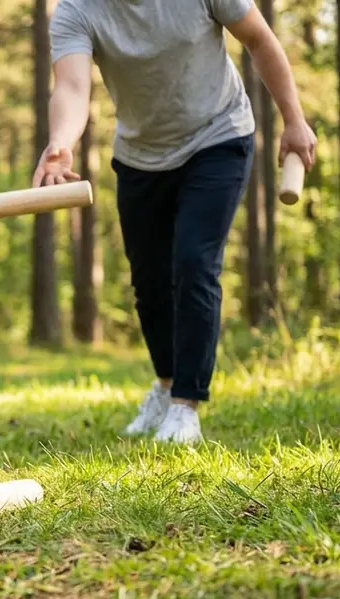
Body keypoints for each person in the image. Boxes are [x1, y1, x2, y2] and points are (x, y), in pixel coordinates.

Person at [34, 0, 316, 443]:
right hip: (140, 155)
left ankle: (186, 405)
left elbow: (260, 39)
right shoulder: (78, 9)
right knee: (149, 282)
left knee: (194, 262)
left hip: (218, 136)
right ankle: (165, 386)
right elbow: (71, 87)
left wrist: (294, 121)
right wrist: (60, 143)